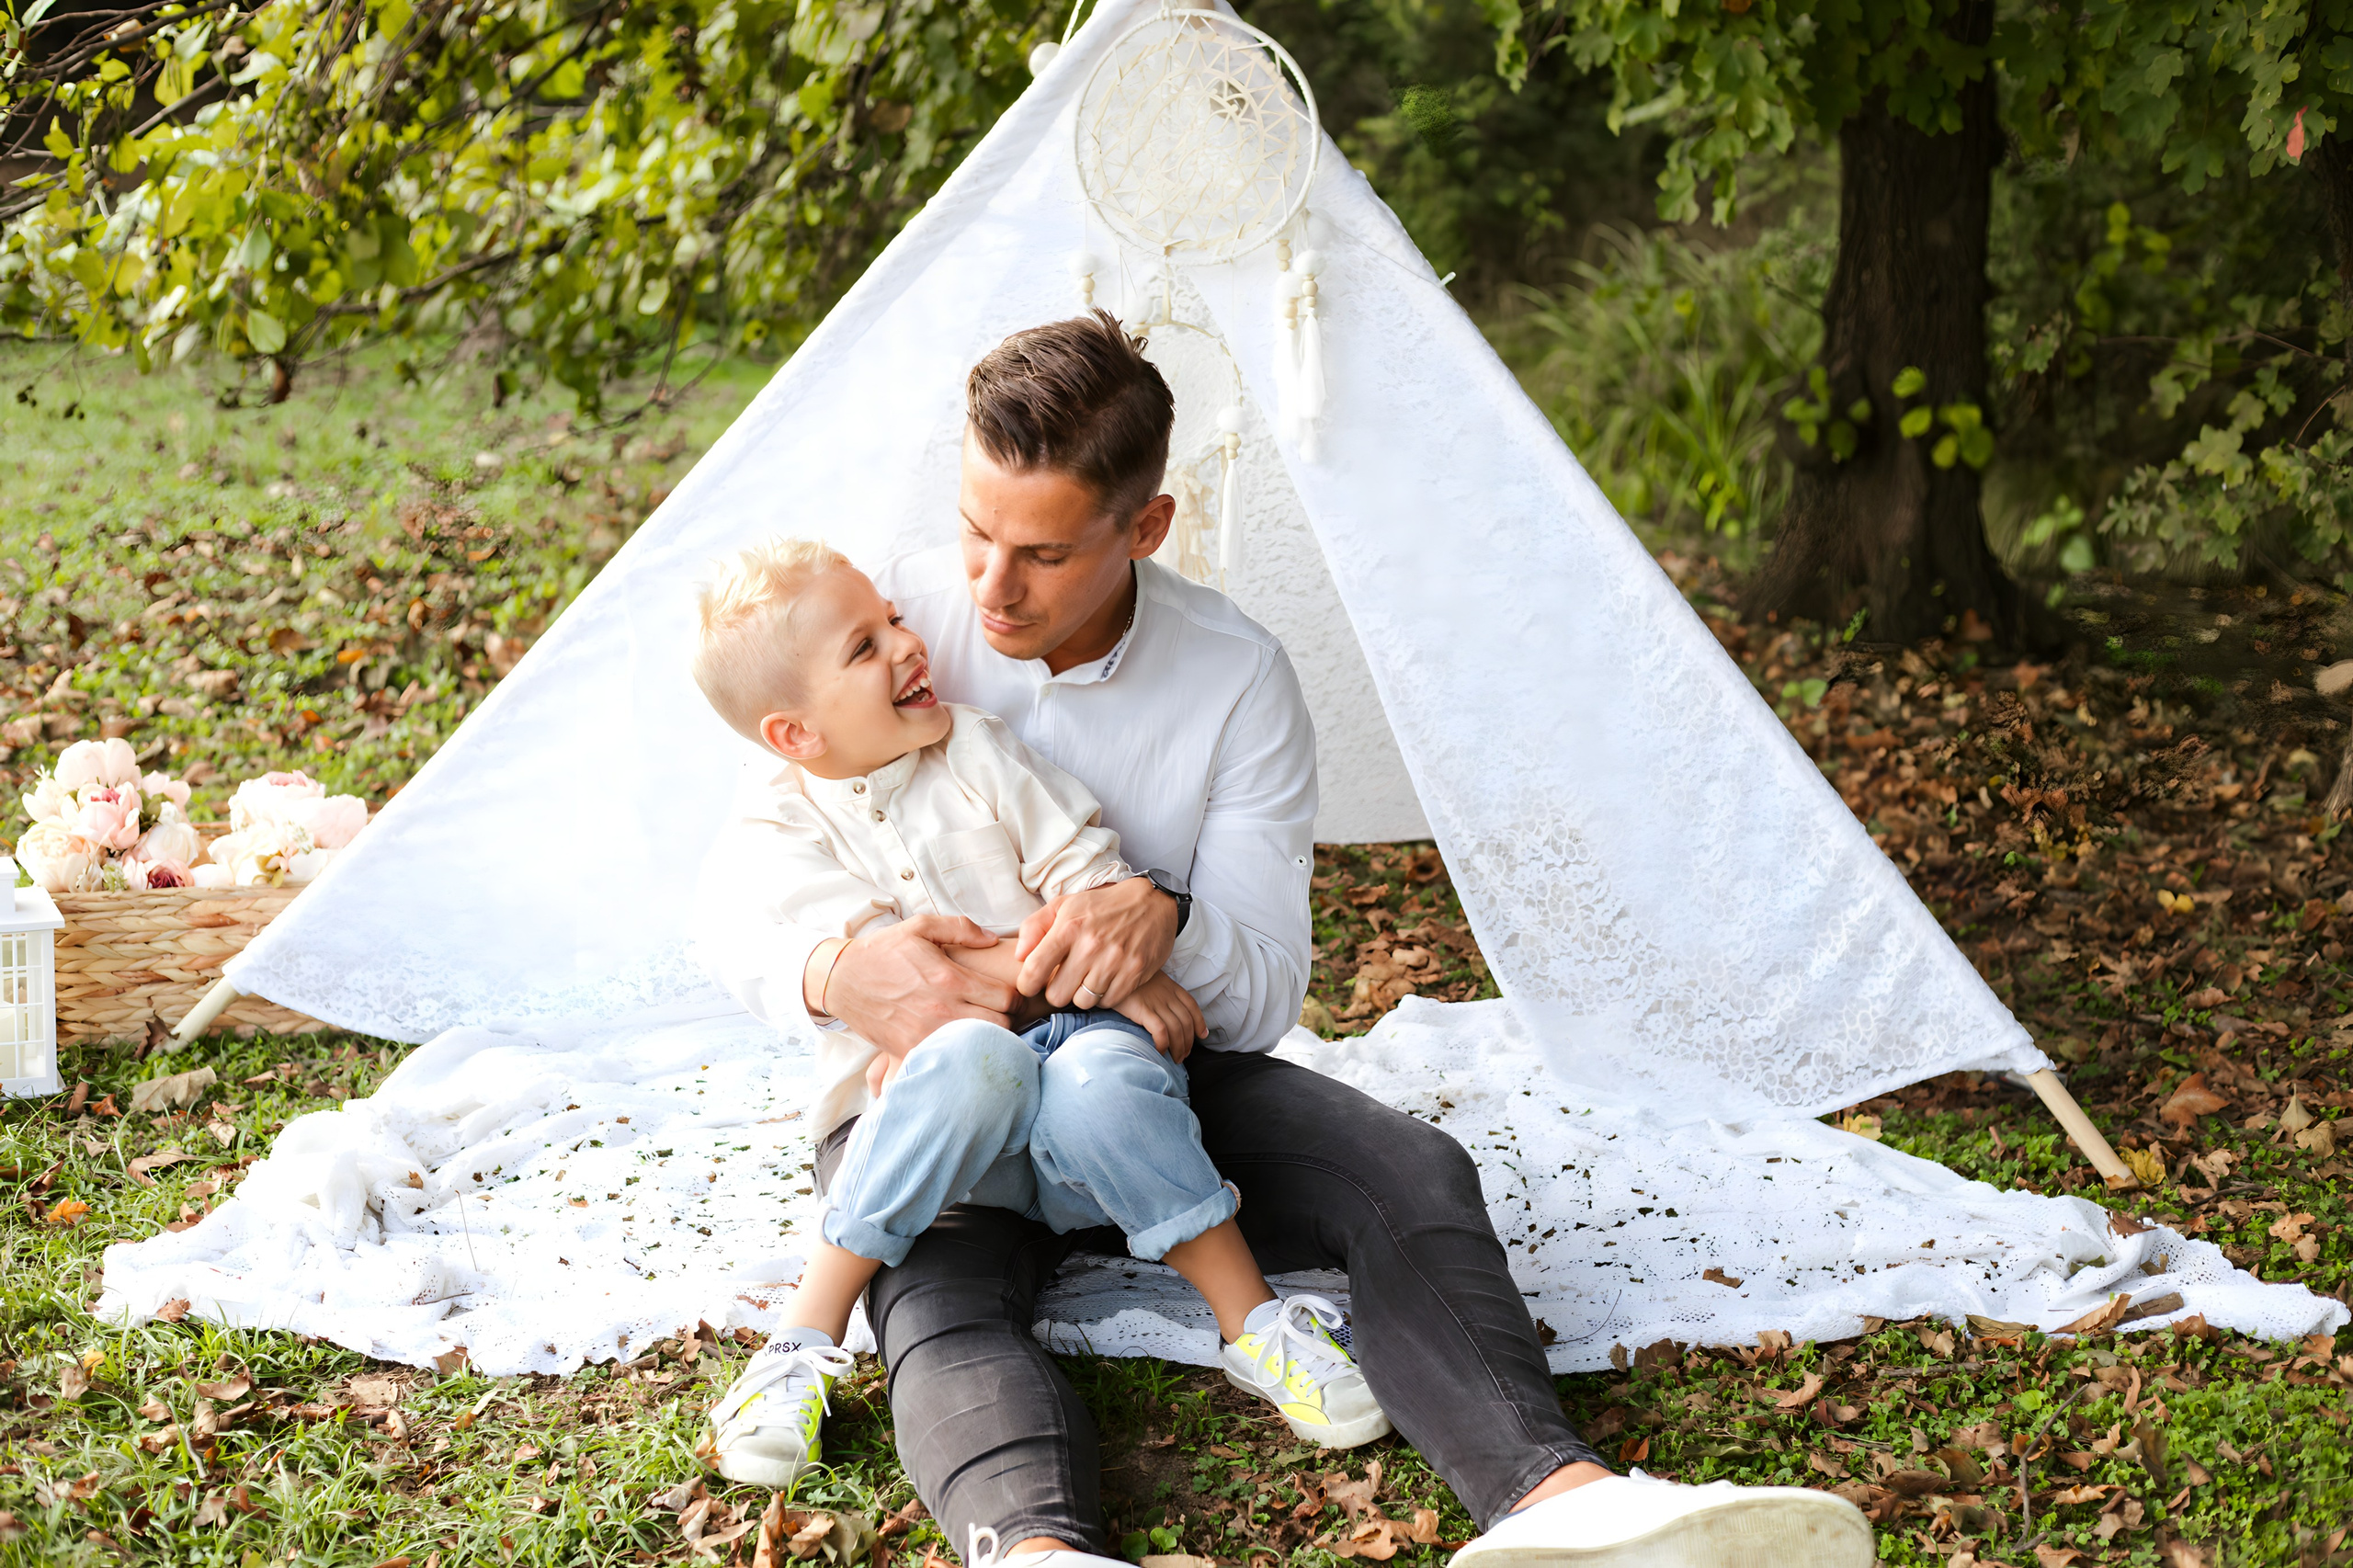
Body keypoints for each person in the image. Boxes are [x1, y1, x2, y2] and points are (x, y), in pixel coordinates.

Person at [700, 312, 1872, 1568]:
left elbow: (1256, 990)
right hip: (943, 1089)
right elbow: (734, 880)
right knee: (935, 1292)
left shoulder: (1237, 681)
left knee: (1412, 1171)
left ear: (1143, 529)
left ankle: (1562, 1502)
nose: (988, 589)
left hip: (1138, 1080)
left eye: (1040, 553)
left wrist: (1166, 914)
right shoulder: (892, 622)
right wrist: (837, 967)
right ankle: (1039, 1552)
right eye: (977, 532)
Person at [687, 540, 1389, 1491]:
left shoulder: (976, 748)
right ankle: (800, 1345)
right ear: (795, 734)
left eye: (892, 618)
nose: (905, 643)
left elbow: (1084, 877)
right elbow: (908, 983)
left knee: (1104, 1075)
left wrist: (1100, 960)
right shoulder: (778, 831)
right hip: (948, 1152)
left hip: (1074, 1092)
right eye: (863, 646)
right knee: (967, 1055)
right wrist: (1058, 964)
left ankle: (1254, 1325)